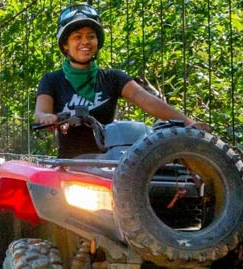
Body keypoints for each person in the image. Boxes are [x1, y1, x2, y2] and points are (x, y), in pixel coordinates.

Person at [34, 4, 212, 158]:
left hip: (109, 163)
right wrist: (48, 118)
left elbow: (147, 101)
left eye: (90, 36)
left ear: (97, 41)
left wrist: (189, 124)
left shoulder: (113, 78)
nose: (85, 41)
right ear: (65, 44)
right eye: (77, 37)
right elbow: (40, 113)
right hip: (70, 164)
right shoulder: (52, 80)